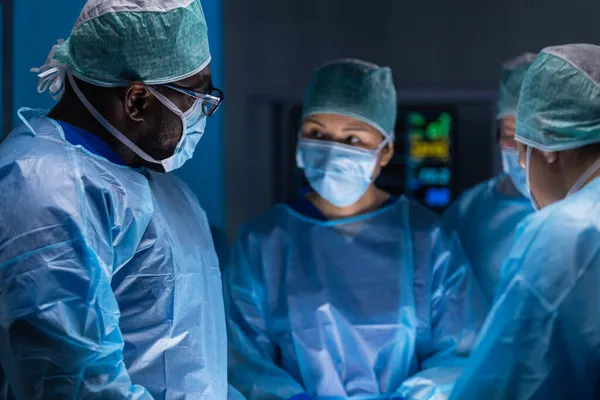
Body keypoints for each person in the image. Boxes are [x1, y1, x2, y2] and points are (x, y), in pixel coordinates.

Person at [0, 1, 227, 398]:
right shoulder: (46, 188)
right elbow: (74, 382)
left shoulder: (158, 184)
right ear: (137, 100)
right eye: (197, 95)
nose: (203, 112)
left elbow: (197, 362)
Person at [225, 59, 487, 400]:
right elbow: (241, 359)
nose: (334, 150)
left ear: (386, 151)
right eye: (317, 133)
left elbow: (460, 357)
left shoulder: (428, 240)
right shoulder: (264, 242)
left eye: (353, 138)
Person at [450, 44, 600, 400]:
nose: (520, 164)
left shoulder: (566, 234)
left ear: (546, 142)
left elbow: (505, 385)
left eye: (521, 145)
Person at [443, 54, 536, 304]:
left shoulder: (590, 208)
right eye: (510, 134)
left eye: (534, 134)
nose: (522, 151)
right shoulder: (470, 210)